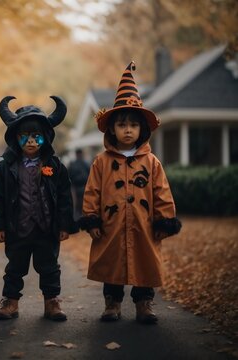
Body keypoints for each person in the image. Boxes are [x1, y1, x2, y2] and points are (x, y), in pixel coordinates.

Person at [78, 62, 182, 324]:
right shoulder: (101, 162)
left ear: (141, 130)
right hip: (111, 225)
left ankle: (144, 304)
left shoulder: (151, 162)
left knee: (144, 264)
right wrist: (91, 218)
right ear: (112, 128)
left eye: (133, 125)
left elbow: (162, 192)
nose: (127, 129)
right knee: (112, 265)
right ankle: (112, 303)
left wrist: (164, 220)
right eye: (121, 124)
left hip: (143, 224)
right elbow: (92, 191)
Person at [0, 96, 76, 321]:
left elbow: (65, 197)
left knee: (49, 267)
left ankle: (51, 301)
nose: (30, 141)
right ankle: (11, 302)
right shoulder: (4, 169)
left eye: (36, 136)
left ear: (45, 137)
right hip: (17, 227)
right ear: (15, 139)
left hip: (46, 227)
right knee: (15, 267)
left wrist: (65, 224)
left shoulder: (56, 167)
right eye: (24, 136)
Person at [68, 149, 91, 219]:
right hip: (82, 185)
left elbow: (70, 176)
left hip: (79, 186)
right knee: (83, 200)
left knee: (80, 200)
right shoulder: (85, 163)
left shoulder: (74, 164)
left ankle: (80, 213)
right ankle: (82, 213)